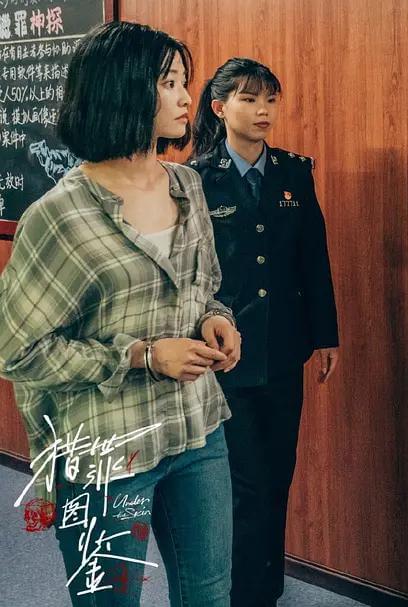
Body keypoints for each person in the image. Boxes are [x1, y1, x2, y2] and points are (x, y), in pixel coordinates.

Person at [0, 21, 241, 606]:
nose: (186, 98)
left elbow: (205, 287)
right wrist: (143, 356)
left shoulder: (188, 184)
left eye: (183, 81)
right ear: (124, 89)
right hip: (108, 447)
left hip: (196, 427)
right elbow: (17, 351)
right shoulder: (59, 216)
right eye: (169, 83)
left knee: (211, 594)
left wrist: (217, 320)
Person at [189, 57, 339, 607]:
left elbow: (313, 258)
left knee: (277, 475)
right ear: (219, 106)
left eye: (271, 99)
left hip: (284, 350)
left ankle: (266, 585)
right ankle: (244, 592)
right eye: (249, 99)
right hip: (226, 354)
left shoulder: (294, 172)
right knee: (242, 483)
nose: (263, 110)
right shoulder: (196, 179)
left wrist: (326, 335)